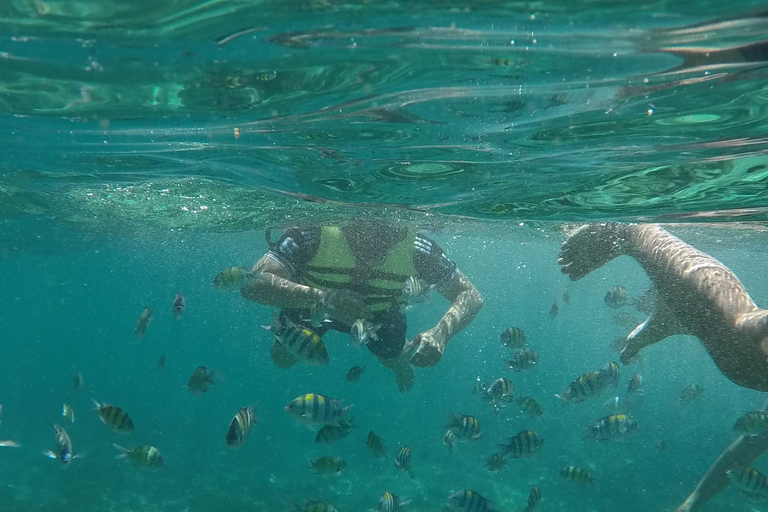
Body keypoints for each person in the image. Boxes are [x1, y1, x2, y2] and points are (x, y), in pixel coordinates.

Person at [241, 221, 483, 392]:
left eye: (387, 229)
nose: (375, 232)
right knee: (282, 358)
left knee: (392, 354)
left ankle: (398, 361)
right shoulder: (313, 233)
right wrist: (323, 299)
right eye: (365, 227)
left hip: (377, 314)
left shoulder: (418, 249)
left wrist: (440, 334)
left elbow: (470, 294)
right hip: (312, 305)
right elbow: (253, 282)